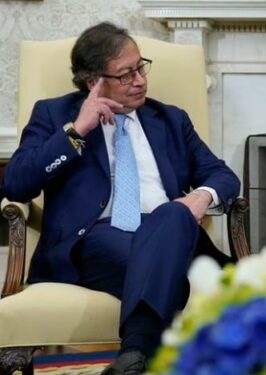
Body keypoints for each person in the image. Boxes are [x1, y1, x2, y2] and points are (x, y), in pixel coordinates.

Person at [4, 22, 240, 374]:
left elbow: (223, 176)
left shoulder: (170, 119)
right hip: (97, 239)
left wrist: (201, 197)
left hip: (173, 231)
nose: (140, 80)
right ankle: (141, 353)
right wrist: (75, 132)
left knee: (173, 215)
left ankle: (133, 358)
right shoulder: (54, 115)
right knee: (174, 276)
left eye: (141, 67)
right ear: (93, 82)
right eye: (126, 75)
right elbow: (17, 183)